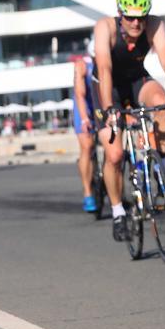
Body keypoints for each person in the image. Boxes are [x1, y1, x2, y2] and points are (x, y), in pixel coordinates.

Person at [94, 0, 165, 241]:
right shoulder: (106, 28)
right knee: (114, 154)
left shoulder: (155, 24)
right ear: (120, 13)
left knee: (161, 102)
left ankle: (161, 168)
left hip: (136, 81)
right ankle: (117, 212)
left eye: (141, 18)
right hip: (106, 87)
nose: (136, 24)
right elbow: (104, 69)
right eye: (130, 17)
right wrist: (109, 109)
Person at [72, 53, 100, 212]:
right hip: (84, 107)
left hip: (99, 107)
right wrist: (84, 119)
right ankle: (88, 192)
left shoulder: (112, 60)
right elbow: (80, 95)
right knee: (87, 146)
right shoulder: (82, 65)